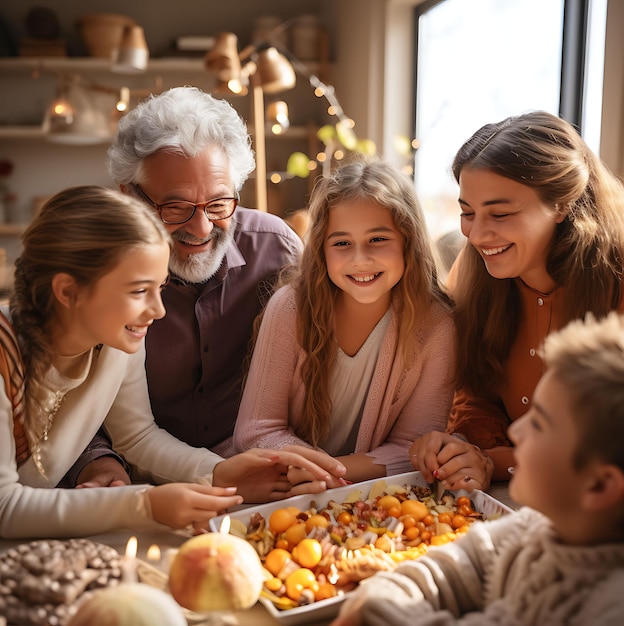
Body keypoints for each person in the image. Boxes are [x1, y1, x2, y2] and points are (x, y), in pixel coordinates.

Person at [0, 186, 344, 539]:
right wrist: (145, 505)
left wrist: (219, 472)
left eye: (160, 288)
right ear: (68, 291)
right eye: (138, 291)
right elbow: (4, 506)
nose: (158, 311)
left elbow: (137, 437)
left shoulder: (117, 340)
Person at [66, 86, 347, 491]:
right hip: (132, 479)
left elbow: (314, 376)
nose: (200, 229)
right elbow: (68, 397)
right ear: (129, 195)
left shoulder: (277, 251)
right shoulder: (99, 272)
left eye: (218, 204)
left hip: (255, 476)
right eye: (175, 207)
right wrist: (96, 462)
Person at [331, 311, 624, 626]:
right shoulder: (531, 530)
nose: (515, 432)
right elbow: (446, 567)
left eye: (539, 424)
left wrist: (375, 608)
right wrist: (382, 595)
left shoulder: (611, 607)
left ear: (599, 486)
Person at [410, 110, 624, 491]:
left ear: (561, 204)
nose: (477, 235)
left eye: (501, 213)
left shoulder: (618, 278)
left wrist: (494, 462)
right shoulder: (478, 271)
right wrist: (463, 449)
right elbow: (475, 391)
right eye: (467, 213)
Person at [233, 157, 456, 483]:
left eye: (378, 239)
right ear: (322, 248)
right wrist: (321, 476)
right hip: (286, 489)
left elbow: (414, 448)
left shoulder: (436, 327)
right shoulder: (291, 308)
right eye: (342, 243)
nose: (360, 259)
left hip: (375, 496)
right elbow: (256, 431)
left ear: (409, 242)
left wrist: (330, 476)